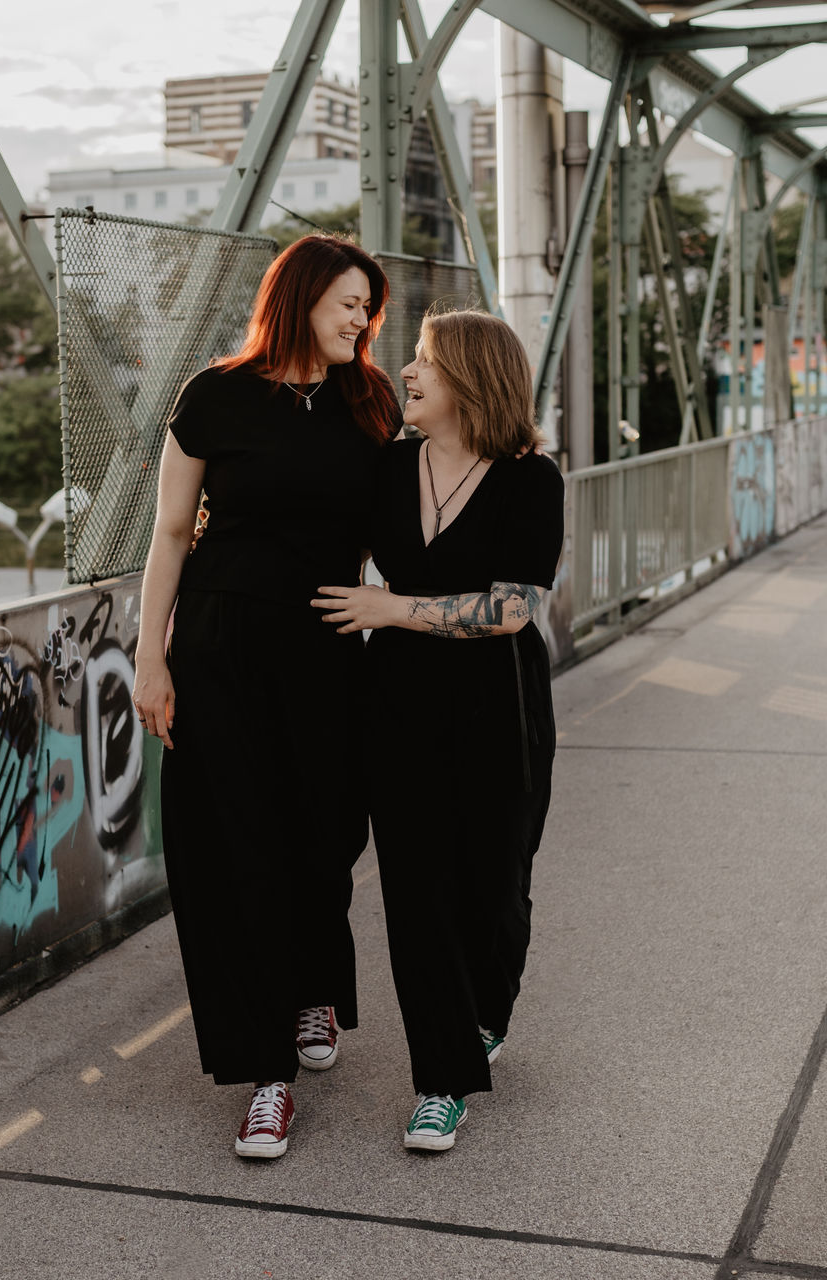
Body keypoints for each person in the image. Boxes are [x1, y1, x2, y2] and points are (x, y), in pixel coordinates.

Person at [132, 236, 401, 1160]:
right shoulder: (213, 395)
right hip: (219, 646)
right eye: (349, 302)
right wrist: (149, 660)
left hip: (325, 650)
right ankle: (265, 1075)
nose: (362, 319)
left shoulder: (369, 400)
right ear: (299, 296)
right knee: (235, 847)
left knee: (324, 835)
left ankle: (314, 987)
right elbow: (171, 534)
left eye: (370, 306)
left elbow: (401, 526)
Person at [312, 309, 563, 1153]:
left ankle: (486, 1013)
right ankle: (442, 1079)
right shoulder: (389, 467)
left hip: (501, 706)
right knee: (418, 892)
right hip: (400, 703)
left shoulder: (533, 479)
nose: (406, 372)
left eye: (423, 360)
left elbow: (511, 609)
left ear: (468, 377)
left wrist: (393, 608)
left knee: (496, 890)